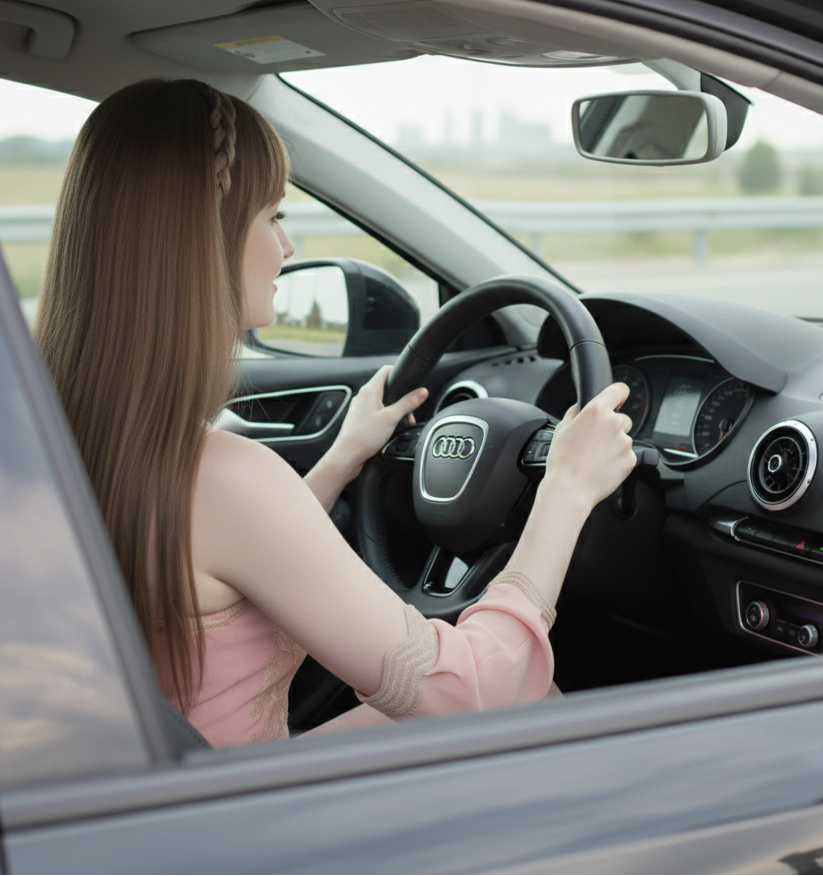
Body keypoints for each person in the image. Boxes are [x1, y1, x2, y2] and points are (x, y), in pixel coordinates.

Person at [34, 79, 636, 748]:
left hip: (156, 809)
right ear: (203, 238)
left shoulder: (47, 437)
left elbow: (233, 546)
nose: (287, 248)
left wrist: (343, 458)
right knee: (531, 701)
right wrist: (566, 488)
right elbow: (469, 691)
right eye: (272, 216)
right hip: (244, 827)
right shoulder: (220, 476)